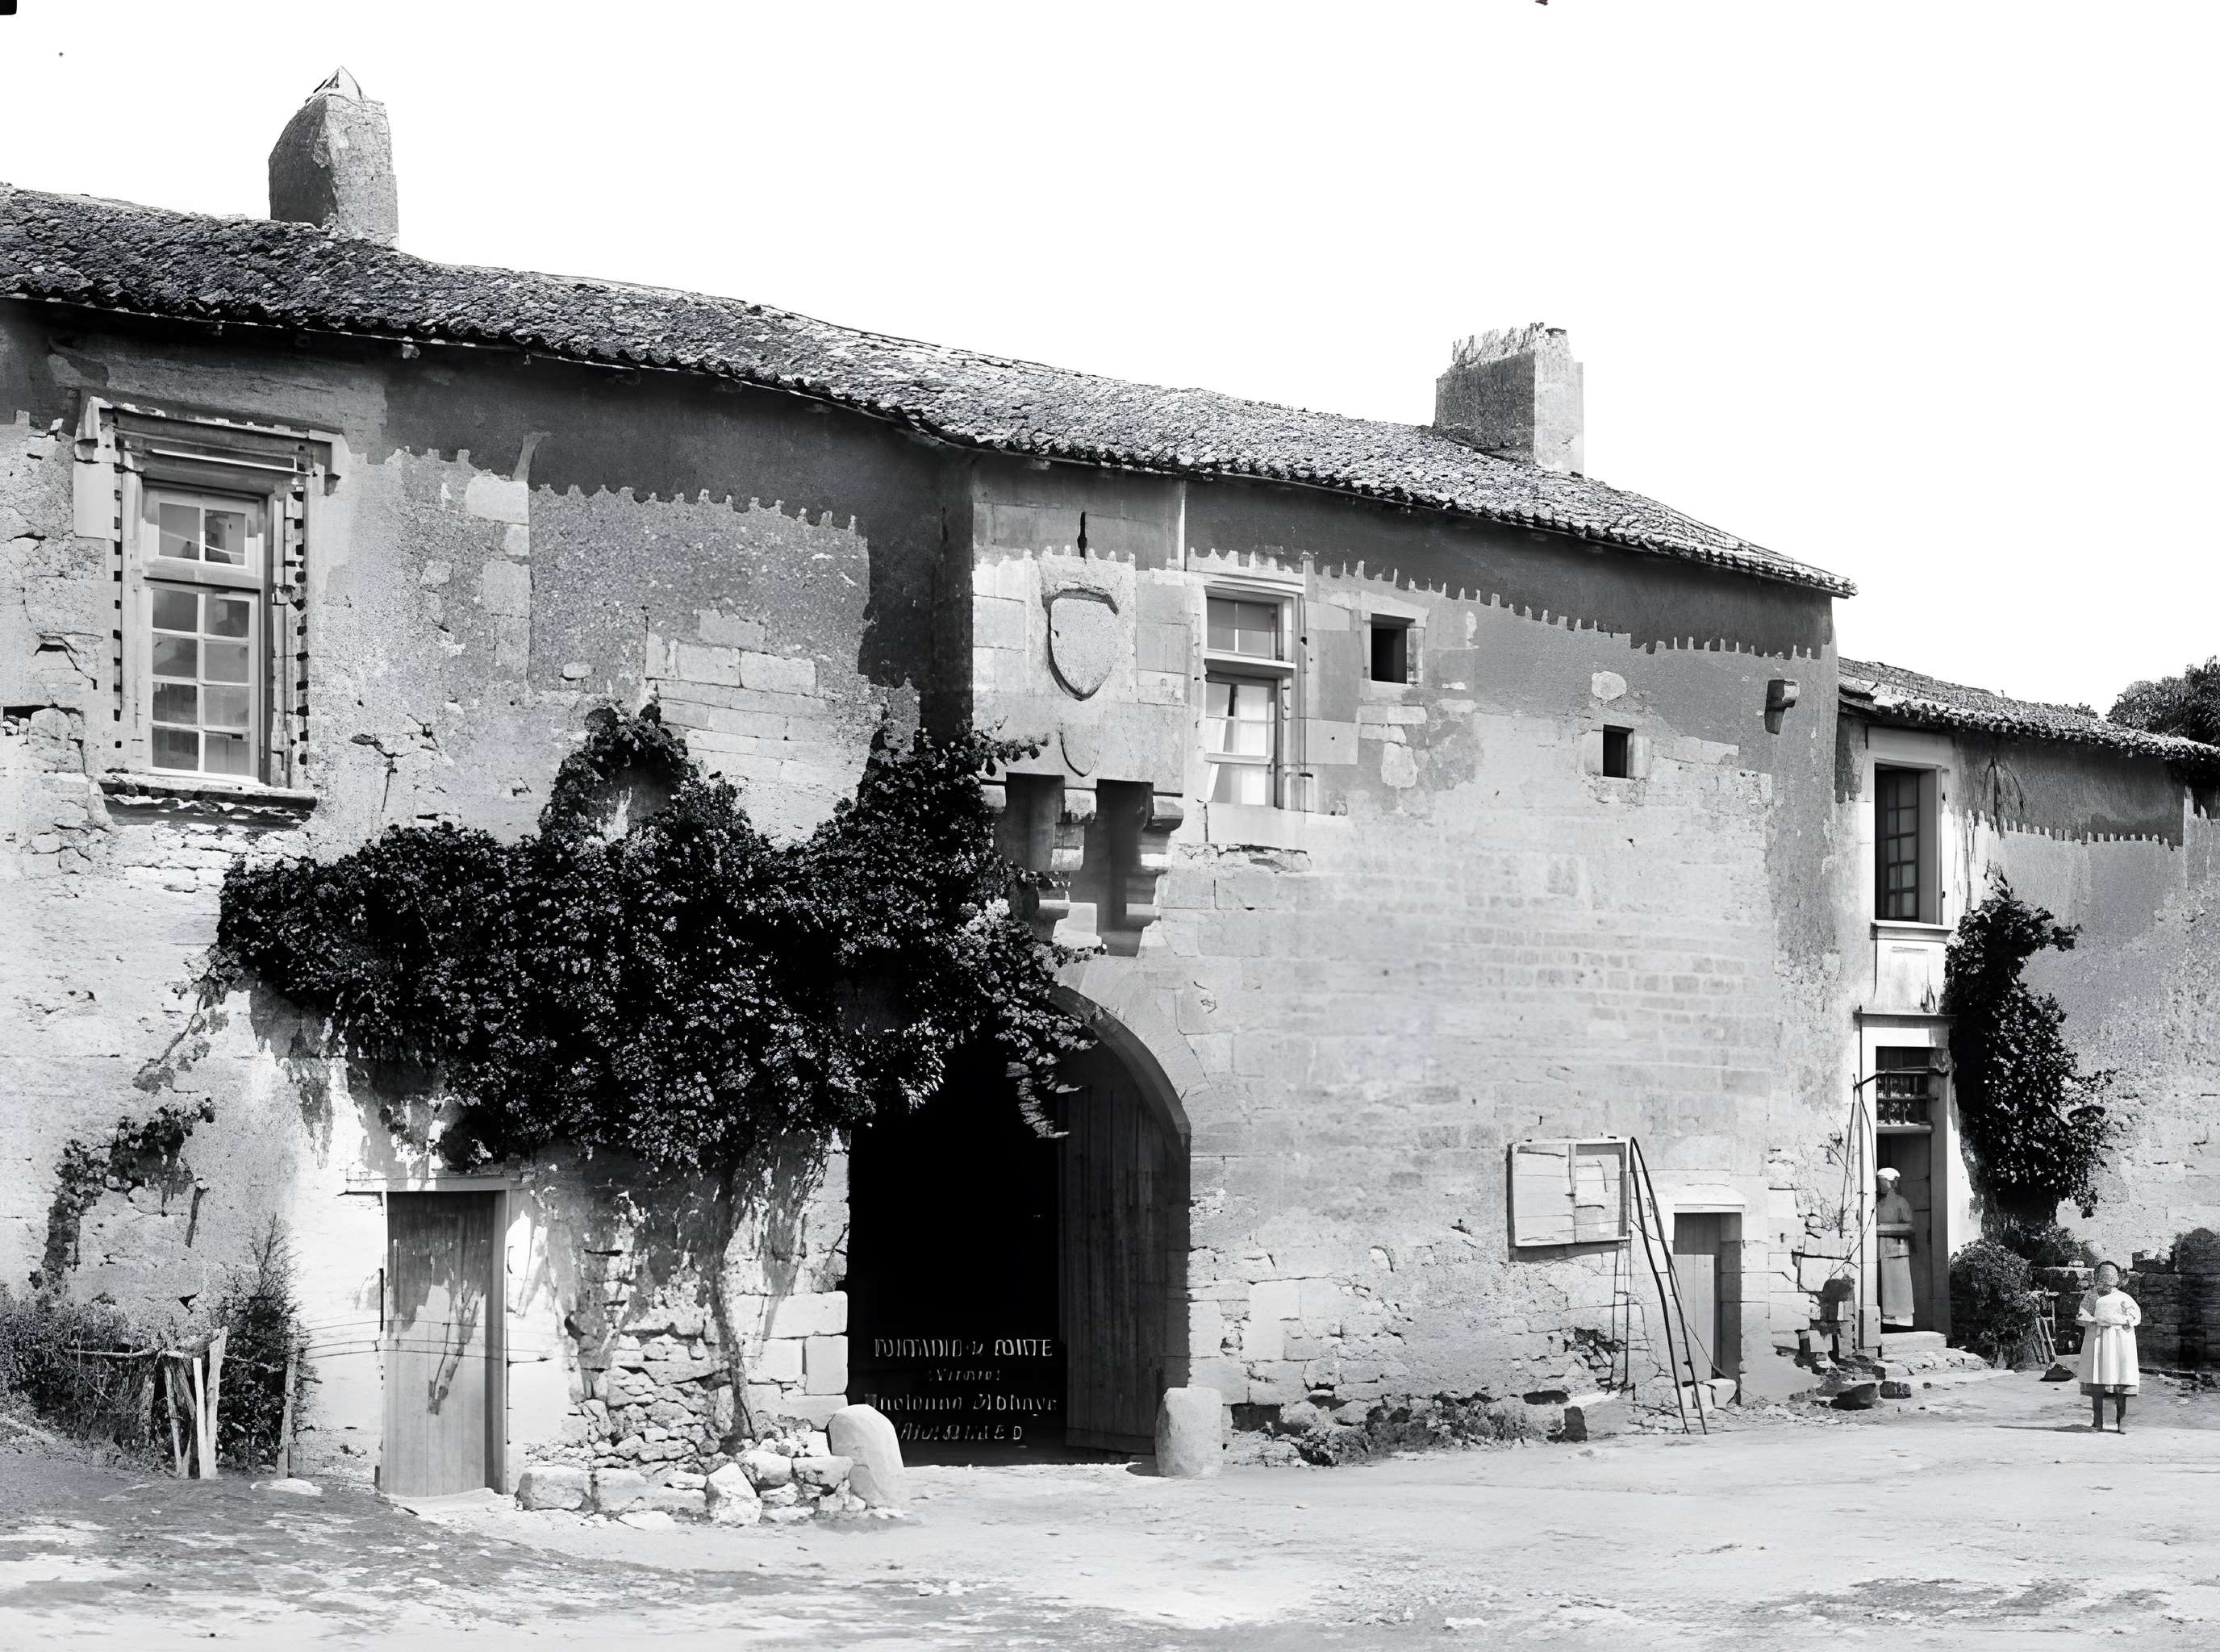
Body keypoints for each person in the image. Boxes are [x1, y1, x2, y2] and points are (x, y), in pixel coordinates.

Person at [2076, 1261, 2141, 1433]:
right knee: (2097, 1379)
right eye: (2102, 1276)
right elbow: (2081, 1315)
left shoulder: (2124, 1299)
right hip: (2097, 1340)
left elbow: (2135, 1317)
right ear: (2096, 1277)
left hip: (2119, 1342)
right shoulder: (2091, 1297)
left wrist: (2120, 1321)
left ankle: (2122, 1422)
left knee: (2121, 1378)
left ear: (2118, 1278)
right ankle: (2098, 1422)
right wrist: (2090, 1320)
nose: (2106, 1280)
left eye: (2110, 1276)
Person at [1875, 1168, 1916, 1329]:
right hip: (1882, 1252)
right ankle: (1888, 1324)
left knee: (1901, 1289)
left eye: (1882, 1180)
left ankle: (1903, 1325)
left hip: (1899, 1252)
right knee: (1885, 1291)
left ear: (1892, 1182)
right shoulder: (1875, 1203)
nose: (1880, 1184)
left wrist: (1881, 1229)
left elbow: (1909, 1228)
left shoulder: (1901, 1202)